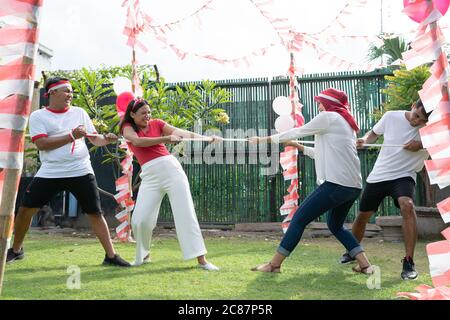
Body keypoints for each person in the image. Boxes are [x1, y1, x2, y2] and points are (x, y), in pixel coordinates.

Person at [7, 77, 130, 267]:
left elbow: (94, 139)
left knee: (95, 213)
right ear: (52, 93)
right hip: (50, 171)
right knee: (24, 210)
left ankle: (111, 256)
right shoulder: (39, 116)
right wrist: (72, 136)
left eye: (71, 91)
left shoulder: (79, 113)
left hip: (80, 170)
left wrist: (106, 138)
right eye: (66, 91)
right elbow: (42, 144)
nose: (70, 94)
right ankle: (16, 250)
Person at [249, 88, 373, 274]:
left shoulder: (329, 117)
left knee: (298, 219)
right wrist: (298, 147)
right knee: (335, 225)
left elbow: (298, 130)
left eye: (320, 102)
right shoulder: (347, 124)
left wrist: (263, 139)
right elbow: (324, 155)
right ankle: (365, 265)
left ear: (330, 103)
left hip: (336, 185)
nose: (318, 106)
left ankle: (274, 264)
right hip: (352, 187)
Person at [120, 98, 220, 270]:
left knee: (185, 213)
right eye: (143, 113)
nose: (147, 116)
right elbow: (136, 142)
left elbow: (182, 133)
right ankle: (143, 255)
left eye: (149, 112)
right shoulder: (127, 128)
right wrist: (166, 138)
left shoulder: (157, 123)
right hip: (150, 176)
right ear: (132, 114)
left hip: (171, 171)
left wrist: (207, 138)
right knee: (140, 220)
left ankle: (202, 260)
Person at [339, 99, 430, 280]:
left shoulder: (435, 130)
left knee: (407, 205)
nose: (417, 122)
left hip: (404, 175)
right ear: (412, 105)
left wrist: (421, 144)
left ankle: (409, 262)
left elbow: (443, 143)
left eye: (422, 121)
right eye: (416, 116)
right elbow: (373, 133)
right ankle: (353, 251)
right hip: (380, 175)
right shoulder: (391, 117)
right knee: (363, 216)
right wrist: (364, 140)